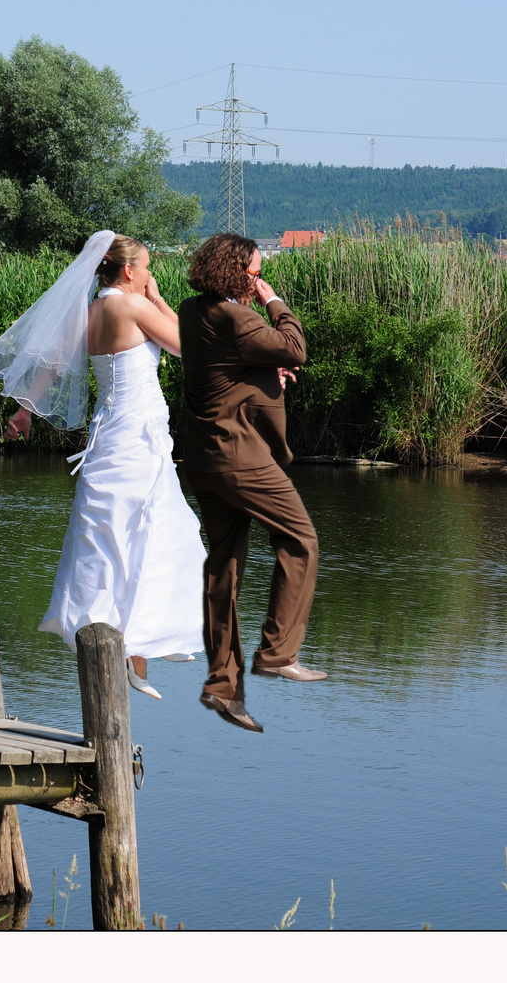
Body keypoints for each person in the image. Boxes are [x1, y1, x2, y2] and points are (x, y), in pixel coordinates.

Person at [0, 230, 204, 699]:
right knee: (151, 530)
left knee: (116, 535)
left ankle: (146, 644)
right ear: (128, 271)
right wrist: (161, 299)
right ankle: (144, 644)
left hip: (112, 435)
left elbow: (52, 363)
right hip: (136, 438)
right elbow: (188, 346)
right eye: (147, 268)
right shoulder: (132, 305)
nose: (150, 276)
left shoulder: (90, 312)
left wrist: (25, 409)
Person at [177, 232, 327, 736]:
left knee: (224, 567)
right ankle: (278, 653)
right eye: (255, 272)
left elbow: (224, 372)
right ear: (236, 272)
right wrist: (274, 302)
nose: (260, 279)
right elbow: (295, 347)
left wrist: (268, 374)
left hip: (201, 458)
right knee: (300, 538)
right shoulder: (240, 316)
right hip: (238, 457)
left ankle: (223, 686)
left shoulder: (192, 310)